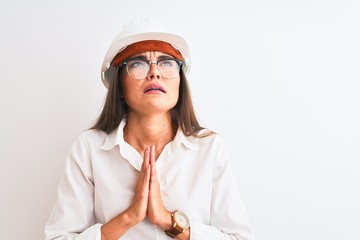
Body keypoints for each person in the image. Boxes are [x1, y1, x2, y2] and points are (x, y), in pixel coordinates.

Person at [44, 19, 253, 240]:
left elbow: (239, 238)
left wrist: (167, 220)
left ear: (180, 82)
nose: (154, 73)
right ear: (119, 84)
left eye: (166, 62)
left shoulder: (209, 147)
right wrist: (129, 217)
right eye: (137, 63)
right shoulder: (88, 148)